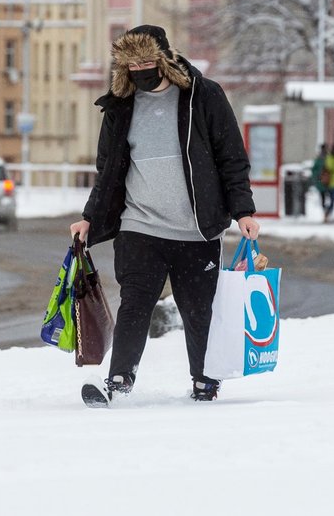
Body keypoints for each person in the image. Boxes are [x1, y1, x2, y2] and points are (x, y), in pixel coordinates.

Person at [69, 25, 260, 406]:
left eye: (146, 60)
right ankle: (119, 381)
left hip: (196, 229)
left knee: (197, 309)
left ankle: (205, 382)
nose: (140, 69)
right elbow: (107, 170)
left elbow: (231, 159)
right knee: (135, 302)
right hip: (140, 226)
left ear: (165, 59)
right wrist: (89, 216)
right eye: (131, 63)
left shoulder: (203, 96)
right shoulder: (120, 106)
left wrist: (243, 211)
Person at [310, 143, 331, 213]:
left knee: (329, 198)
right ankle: (326, 212)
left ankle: (327, 211)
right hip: (322, 181)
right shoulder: (320, 159)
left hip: (329, 181)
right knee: (324, 198)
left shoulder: (329, 158)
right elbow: (314, 170)